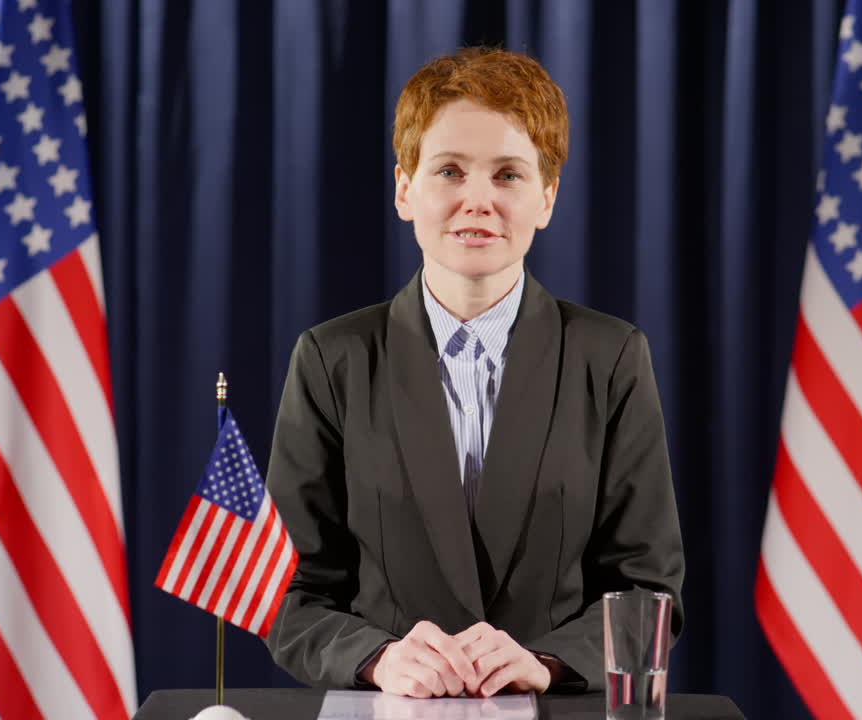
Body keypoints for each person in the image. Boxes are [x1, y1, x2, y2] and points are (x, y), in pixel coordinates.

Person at [263, 46, 684, 699]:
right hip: (389, 710)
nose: (477, 200)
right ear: (405, 188)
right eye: (450, 171)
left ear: (547, 196)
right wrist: (376, 657)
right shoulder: (332, 359)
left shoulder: (611, 357)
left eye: (508, 175)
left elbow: (647, 586)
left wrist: (546, 660)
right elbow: (288, 592)